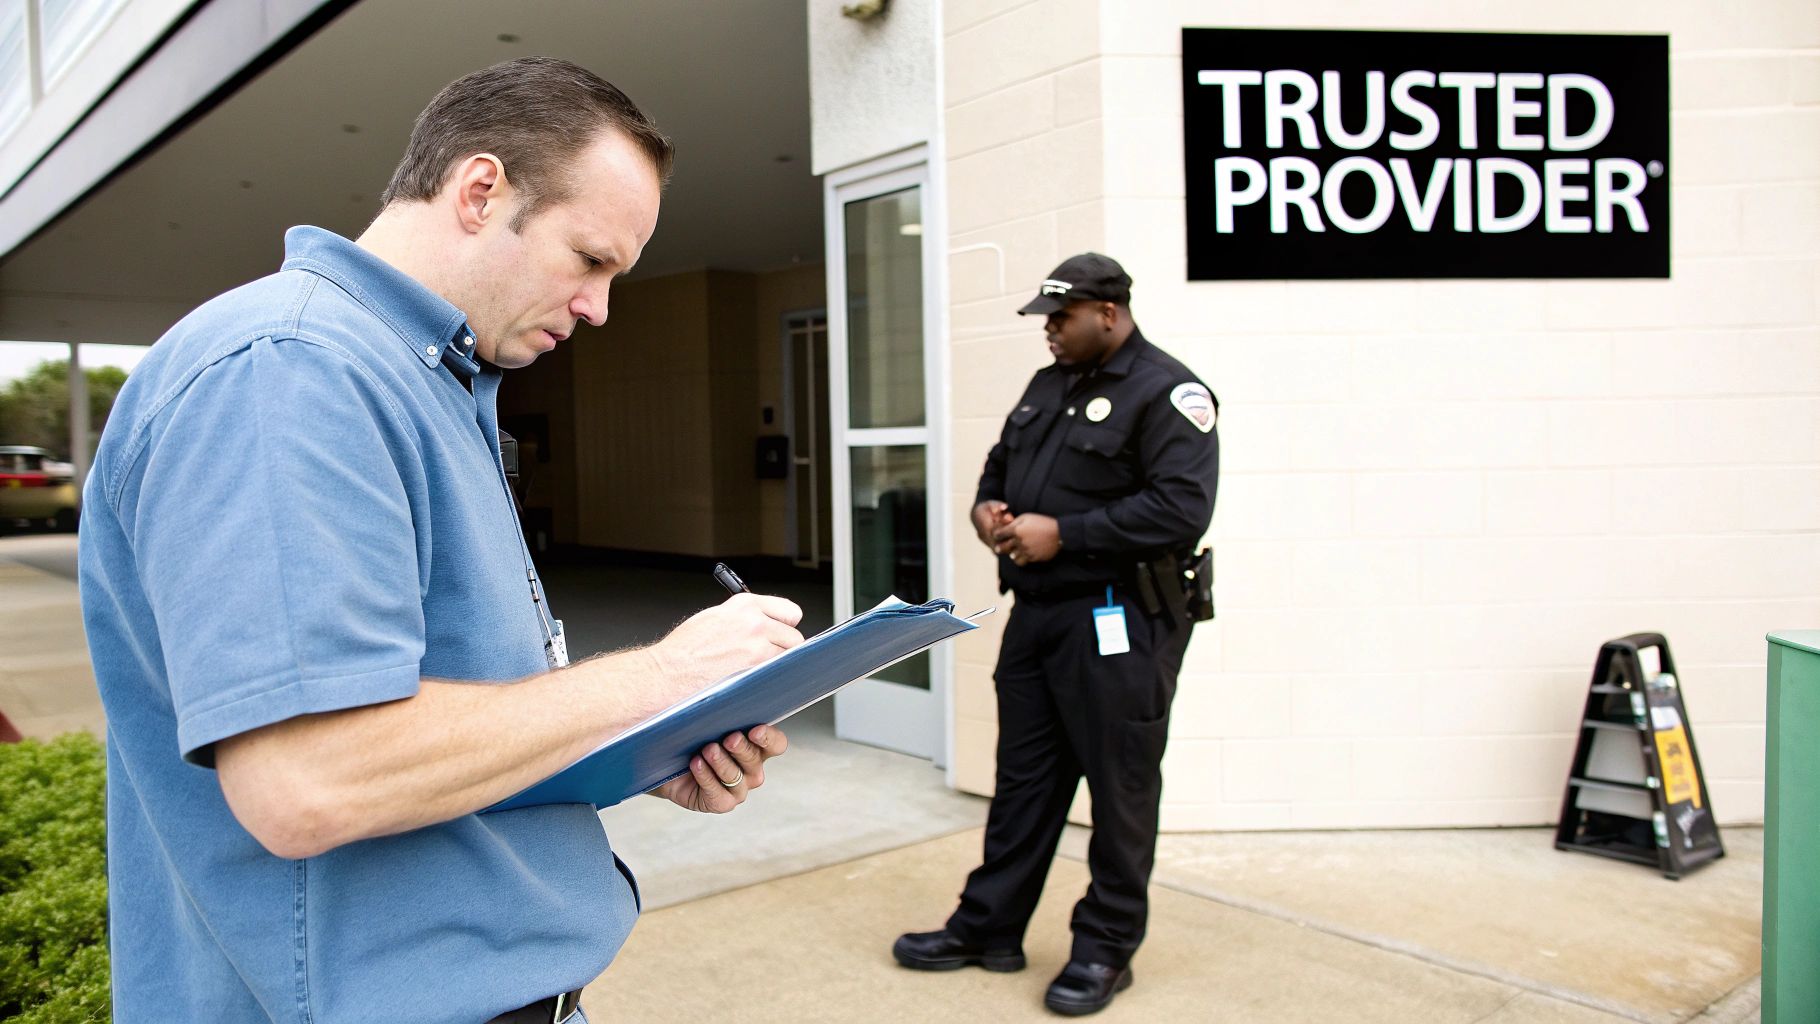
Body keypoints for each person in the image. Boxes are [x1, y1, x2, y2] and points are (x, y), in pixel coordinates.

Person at [78, 58, 805, 1024]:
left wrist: (633, 747)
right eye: (590, 260)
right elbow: (311, 777)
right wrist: (666, 675)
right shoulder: (290, 374)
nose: (598, 308)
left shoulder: (419, 381)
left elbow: (438, 713)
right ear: (479, 190)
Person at [892, 253, 1219, 1016]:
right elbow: (998, 468)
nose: (1049, 331)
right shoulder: (1050, 386)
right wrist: (990, 512)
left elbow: (1182, 509)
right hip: (1038, 618)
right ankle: (988, 930)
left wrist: (1064, 533)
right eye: (1045, 318)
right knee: (1025, 784)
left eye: (1060, 318)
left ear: (1109, 312)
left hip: (1122, 621)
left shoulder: (1170, 392)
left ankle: (1105, 950)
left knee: (1120, 790)